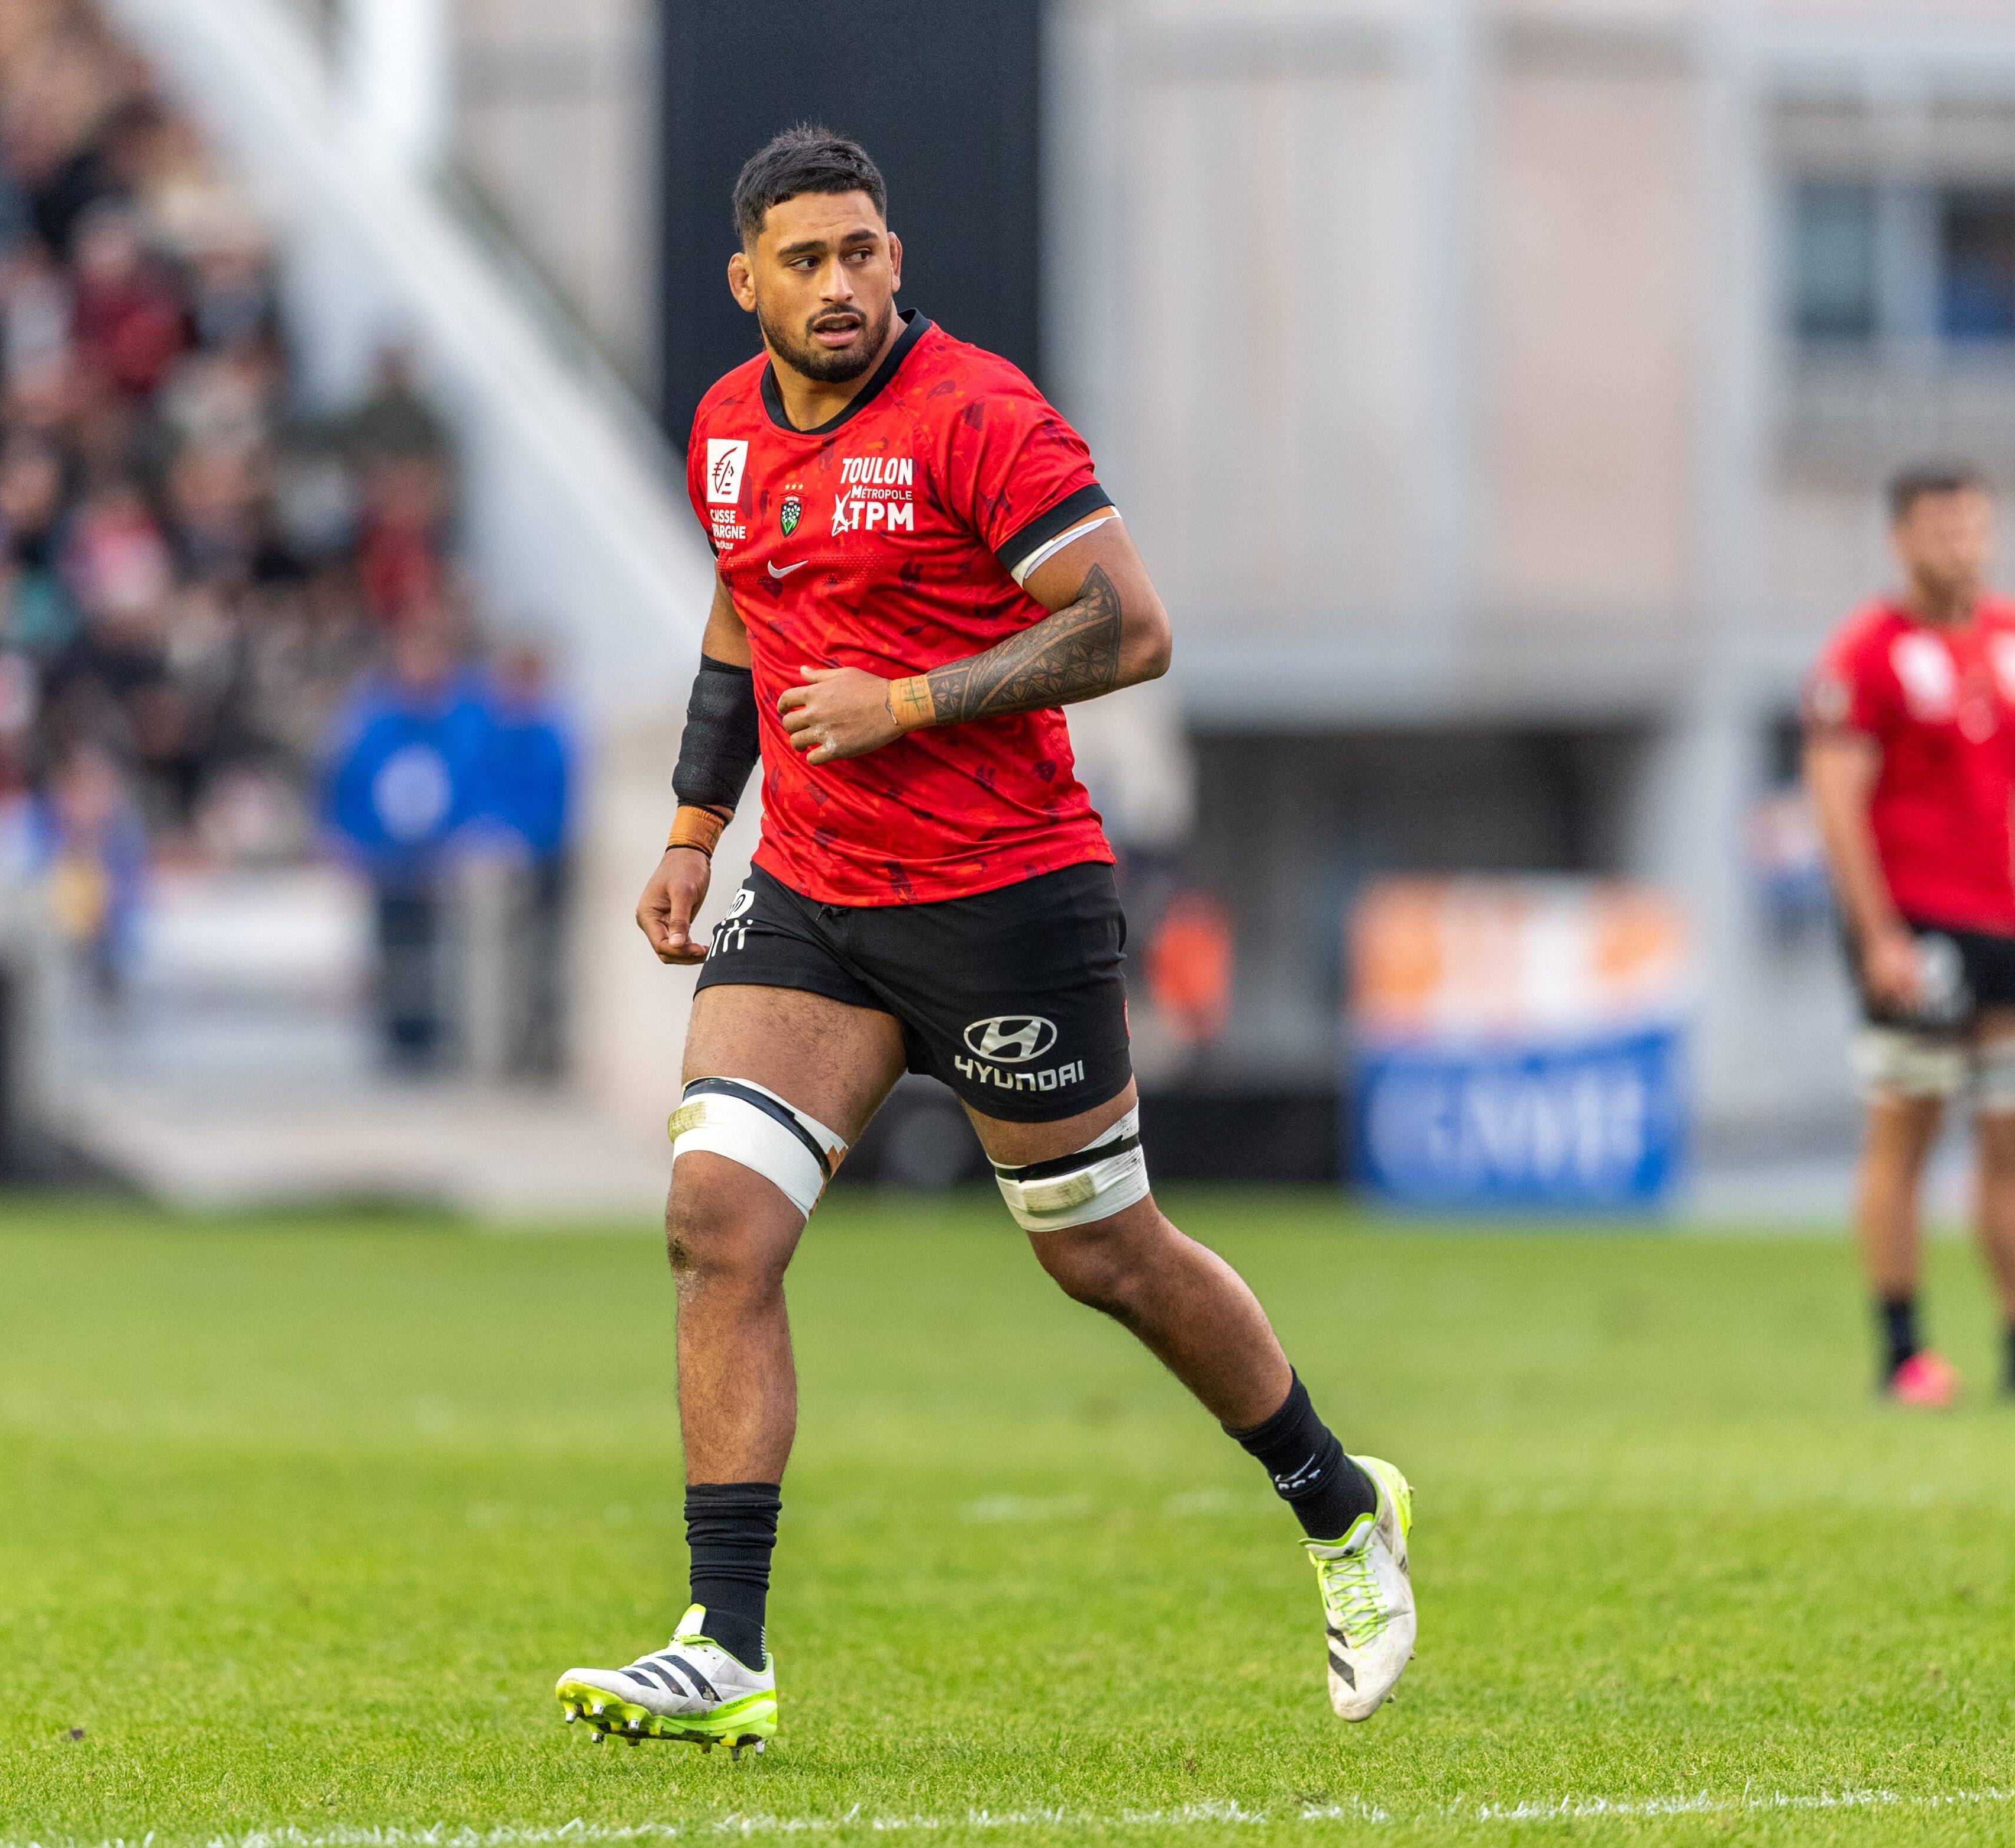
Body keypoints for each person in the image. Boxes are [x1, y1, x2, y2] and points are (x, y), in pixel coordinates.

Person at [552, 128, 1415, 1756]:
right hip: (813, 897)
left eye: (863, 251)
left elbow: (1129, 627)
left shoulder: (978, 416)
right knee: (715, 1218)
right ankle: (724, 1637)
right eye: (805, 260)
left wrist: (913, 700)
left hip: (1003, 897)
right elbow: (746, 605)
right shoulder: (726, 429)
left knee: (1104, 1254)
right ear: (746, 281)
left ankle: (1338, 1503)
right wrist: (689, 827)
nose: (840, 285)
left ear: (896, 257)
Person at [1802, 462, 2015, 1409]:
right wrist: (1877, 935)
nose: (1963, 547)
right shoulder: (1866, 653)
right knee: (1907, 1128)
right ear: (1901, 538)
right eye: (1943, 530)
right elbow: (1836, 799)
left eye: (1976, 529)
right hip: (1912, 923)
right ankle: (1902, 1353)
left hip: (2006, 924)